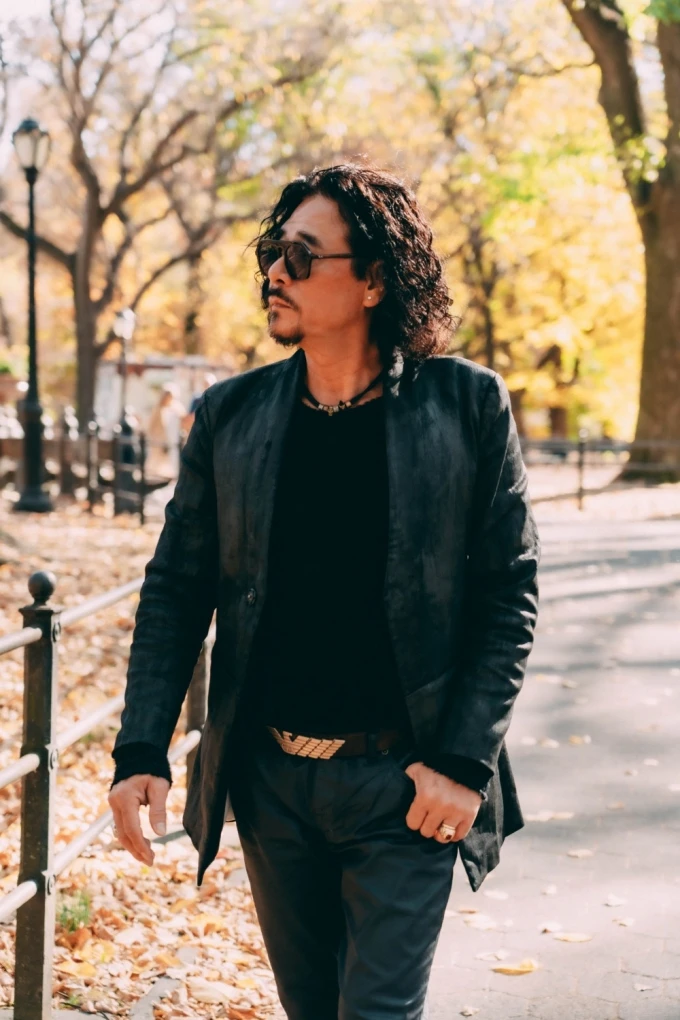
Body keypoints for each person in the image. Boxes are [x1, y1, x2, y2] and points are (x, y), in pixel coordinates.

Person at [109, 163, 541, 1020]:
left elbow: (508, 595)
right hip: (272, 784)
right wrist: (140, 749)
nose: (275, 273)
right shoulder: (230, 418)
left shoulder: (467, 407)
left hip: (409, 788)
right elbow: (176, 590)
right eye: (272, 254)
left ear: (374, 280)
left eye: (302, 257)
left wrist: (462, 764)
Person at [143, 383, 186, 480]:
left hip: (172, 441)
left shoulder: (177, 408)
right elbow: (151, 425)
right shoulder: (157, 408)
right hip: (158, 440)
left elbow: (182, 422)